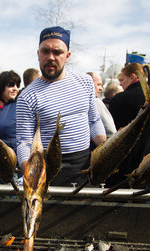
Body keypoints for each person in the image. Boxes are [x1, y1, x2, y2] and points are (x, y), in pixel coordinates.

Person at [16, 26, 106, 186]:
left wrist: (106, 150)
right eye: (45, 51)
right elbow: (24, 142)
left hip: (86, 166)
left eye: (57, 52)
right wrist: (30, 173)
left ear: (67, 56)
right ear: (38, 54)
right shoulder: (27, 96)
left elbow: (94, 121)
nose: (50, 57)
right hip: (48, 170)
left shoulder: (85, 82)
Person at [106, 63, 150, 186]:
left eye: (122, 79)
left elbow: (111, 130)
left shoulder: (119, 99)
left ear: (132, 77)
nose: (120, 83)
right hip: (149, 156)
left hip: (121, 159)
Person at [87, 72, 117, 138]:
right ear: (89, 84)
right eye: (98, 84)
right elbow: (111, 131)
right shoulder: (96, 102)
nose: (101, 88)